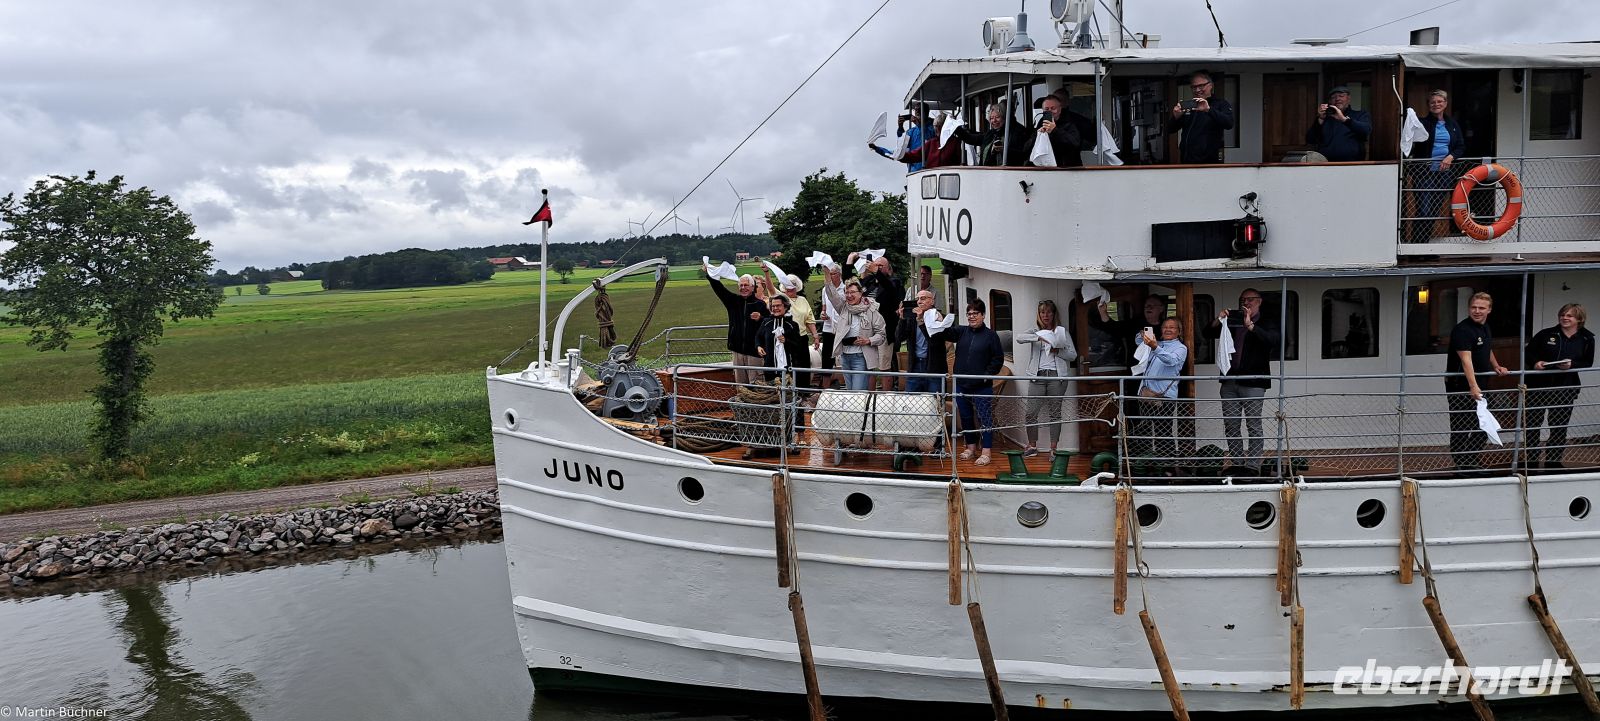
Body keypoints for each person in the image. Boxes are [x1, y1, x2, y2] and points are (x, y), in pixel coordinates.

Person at [1202, 288, 1280, 473]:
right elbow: (1207, 333)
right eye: (1243, 299)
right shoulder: (1232, 321)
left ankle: (1252, 466)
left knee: (1253, 424)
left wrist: (1251, 326)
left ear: (1259, 301)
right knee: (1231, 425)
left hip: (1253, 382)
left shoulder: (1267, 321)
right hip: (1230, 381)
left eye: (1250, 299)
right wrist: (1219, 319)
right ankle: (1237, 464)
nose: (1246, 302)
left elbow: (1273, 340)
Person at [936, 298, 1006, 466]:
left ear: (983, 315)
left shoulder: (991, 336)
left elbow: (998, 359)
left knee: (984, 417)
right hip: (962, 384)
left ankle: (986, 451)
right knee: (966, 417)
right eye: (969, 314)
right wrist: (939, 320)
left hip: (981, 386)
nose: (972, 317)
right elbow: (946, 333)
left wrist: (986, 375)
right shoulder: (961, 331)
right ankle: (971, 447)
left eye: (975, 314)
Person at [1525, 304, 1595, 469]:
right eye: (1562, 314)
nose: (1564, 318)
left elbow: (1587, 362)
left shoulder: (1587, 338)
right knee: (1533, 424)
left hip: (1565, 387)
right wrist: (1536, 363)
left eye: (1569, 316)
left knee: (1559, 425)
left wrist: (1572, 364)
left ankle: (1553, 461)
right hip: (1539, 387)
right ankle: (1532, 460)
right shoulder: (1545, 334)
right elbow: (1528, 353)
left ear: (1579, 319)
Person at [1445, 292, 1509, 471]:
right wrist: (1473, 387)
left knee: (1484, 424)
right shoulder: (1462, 330)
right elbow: (1466, 360)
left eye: (1481, 308)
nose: (1477, 311)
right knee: (1461, 424)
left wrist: (1496, 366)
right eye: (1474, 307)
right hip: (1461, 386)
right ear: (1468, 308)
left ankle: (1470, 457)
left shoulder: (1485, 327)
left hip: (1482, 383)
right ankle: (1461, 463)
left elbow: (1486, 349)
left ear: (1489, 310)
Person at [1090, 294, 1167, 422]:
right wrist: (1103, 312)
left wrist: (1154, 343)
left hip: (1158, 378)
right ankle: (1136, 441)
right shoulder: (1136, 323)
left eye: (1152, 306)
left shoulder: (1166, 328)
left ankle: (1161, 441)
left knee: (1161, 419)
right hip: (1135, 375)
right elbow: (1114, 329)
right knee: (1135, 412)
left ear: (1161, 309)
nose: (1149, 308)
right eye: (1147, 305)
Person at [1407, 90, 1467, 243]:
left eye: (1440, 101)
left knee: (1434, 211)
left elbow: (1460, 146)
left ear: (1445, 104)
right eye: (1433, 102)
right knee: (1424, 210)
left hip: (1443, 173)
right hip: (1424, 173)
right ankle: (1417, 247)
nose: (1436, 104)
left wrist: (1450, 157)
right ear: (1428, 105)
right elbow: (1413, 140)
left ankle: (1425, 247)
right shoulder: (1421, 123)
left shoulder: (1452, 124)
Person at [1021, 300, 1079, 456]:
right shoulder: (1035, 331)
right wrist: (1039, 338)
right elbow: (1020, 338)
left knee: (1055, 413)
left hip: (1056, 377)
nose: (1045, 315)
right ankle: (1032, 446)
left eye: (1049, 312)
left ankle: (1053, 449)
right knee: (1031, 412)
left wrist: (1056, 350)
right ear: (1039, 315)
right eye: (1042, 312)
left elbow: (1073, 355)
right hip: (1037, 376)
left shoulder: (1062, 332)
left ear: (1054, 314)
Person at [1136, 319, 1188, 471]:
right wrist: (1143, 335)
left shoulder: (1181, 348)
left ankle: (1168, 468)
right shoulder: (1156, 343)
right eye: (1165, 327)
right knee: (1144, 430)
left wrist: (1155, 347)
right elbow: (1137, 340)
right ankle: (1147, 466)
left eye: (1172, 327)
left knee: (1163, 431)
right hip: (1146, 394)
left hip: (1164, 397)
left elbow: (1171, 361)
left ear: (1179, 331)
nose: (1168, 330)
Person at [821, 273, 886, 392]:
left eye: (852, 292)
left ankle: (862, 411)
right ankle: (854, 411)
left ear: (861, 293)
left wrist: (868, 340)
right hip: (845, 356)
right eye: (847, 292)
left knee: (857, 392)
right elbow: (831, 294)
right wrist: (826, 272)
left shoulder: (872, 310)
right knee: (850, 392)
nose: (849, 295)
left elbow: (881, 335)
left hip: (861, 357)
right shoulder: (843, 308)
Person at [705, 265, 767, 386]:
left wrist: (761, 318)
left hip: (754, 353)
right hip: (737, 351)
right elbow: (720, 289)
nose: (743, 288)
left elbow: (769, 324)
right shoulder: (733, 301)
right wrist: (709, 274)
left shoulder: (760, 305)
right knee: (741, 385)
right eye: (741, 285)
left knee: (757, 386)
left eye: (746, 285)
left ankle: (758, 405)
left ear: (753, 287)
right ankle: (742, 405)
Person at [851, 253, 904, 390]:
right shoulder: (868, 282)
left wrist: (876, 272)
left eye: (881, 266)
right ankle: (870, 397)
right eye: (876, 265)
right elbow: (853, 287)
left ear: (888, 268)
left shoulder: (894, 282)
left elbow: (891, 290)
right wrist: (850, 262)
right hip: (866, 330)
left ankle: (886, 399)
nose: (878, 268)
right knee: (870, 367)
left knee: (884, 367)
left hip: (883, 331)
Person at [763, 268, 821, 389]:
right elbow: (770, 288)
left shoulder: (803, 300)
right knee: (790, 366)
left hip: (802, 338)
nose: (790, 288)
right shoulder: (782, 298)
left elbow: (809, 320)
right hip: (787, 338)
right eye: (787, 285)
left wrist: (815, 336)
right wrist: (767, 273)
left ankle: (803, 392)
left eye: (793, 285)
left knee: (804, 366)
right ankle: (789, 393)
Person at [1170, 71, 1234, 164]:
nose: (1197, 90)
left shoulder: (1220, 104)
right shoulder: (1189, 105)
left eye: (1201, 86)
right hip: (1186, 161)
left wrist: (1208, 110)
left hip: (1209, 162)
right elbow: (1170, 130)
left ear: (1210, 85)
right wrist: (1175, 117)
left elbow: (1229, 123)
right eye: (1194, 87)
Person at [951, 103, 1032, 167]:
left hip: (1010, 176)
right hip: (989, 175)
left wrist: (1004, 150)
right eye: (991, 118)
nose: (994, 121)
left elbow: (1024, 154)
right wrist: (955, 127)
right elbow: (970, 138)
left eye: (997, 117)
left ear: (1004, 118)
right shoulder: (990, 134)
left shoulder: (1017, 132)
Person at [1306, 86, 1372, 162]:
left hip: (1352, 164)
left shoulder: (1360, 115)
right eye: (1333, 97)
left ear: (1348, 99)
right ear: (1330, 102)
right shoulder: (1325, 119)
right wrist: (1320, 119)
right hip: (1325, 164)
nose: (1337, 99)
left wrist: (1344, 119)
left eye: (1341, 96)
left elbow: (1365, 130)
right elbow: (1310, 140)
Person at [905, 289, 948, 394]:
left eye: (923, 298)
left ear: (932, 301)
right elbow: (899, 338)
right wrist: (902, 319)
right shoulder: (912, 317)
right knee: (911, 401)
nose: (919, 301)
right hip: (915, 365)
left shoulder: (938, 317)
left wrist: (921, 321)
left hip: (934, 367)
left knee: (935, 402)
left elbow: (934, 341)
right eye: (917, 299)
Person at [1037, 94, 1092, 168]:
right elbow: (1028, 148)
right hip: (1047, 167)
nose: (1050, 111)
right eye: (1047, 109)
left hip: (1069, 168)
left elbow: (1075, 144)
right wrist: (1037, 135)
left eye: (1053, 108)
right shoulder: (1041, 123)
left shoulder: (1071, 122)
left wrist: (1055, 130)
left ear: (1060, 108)